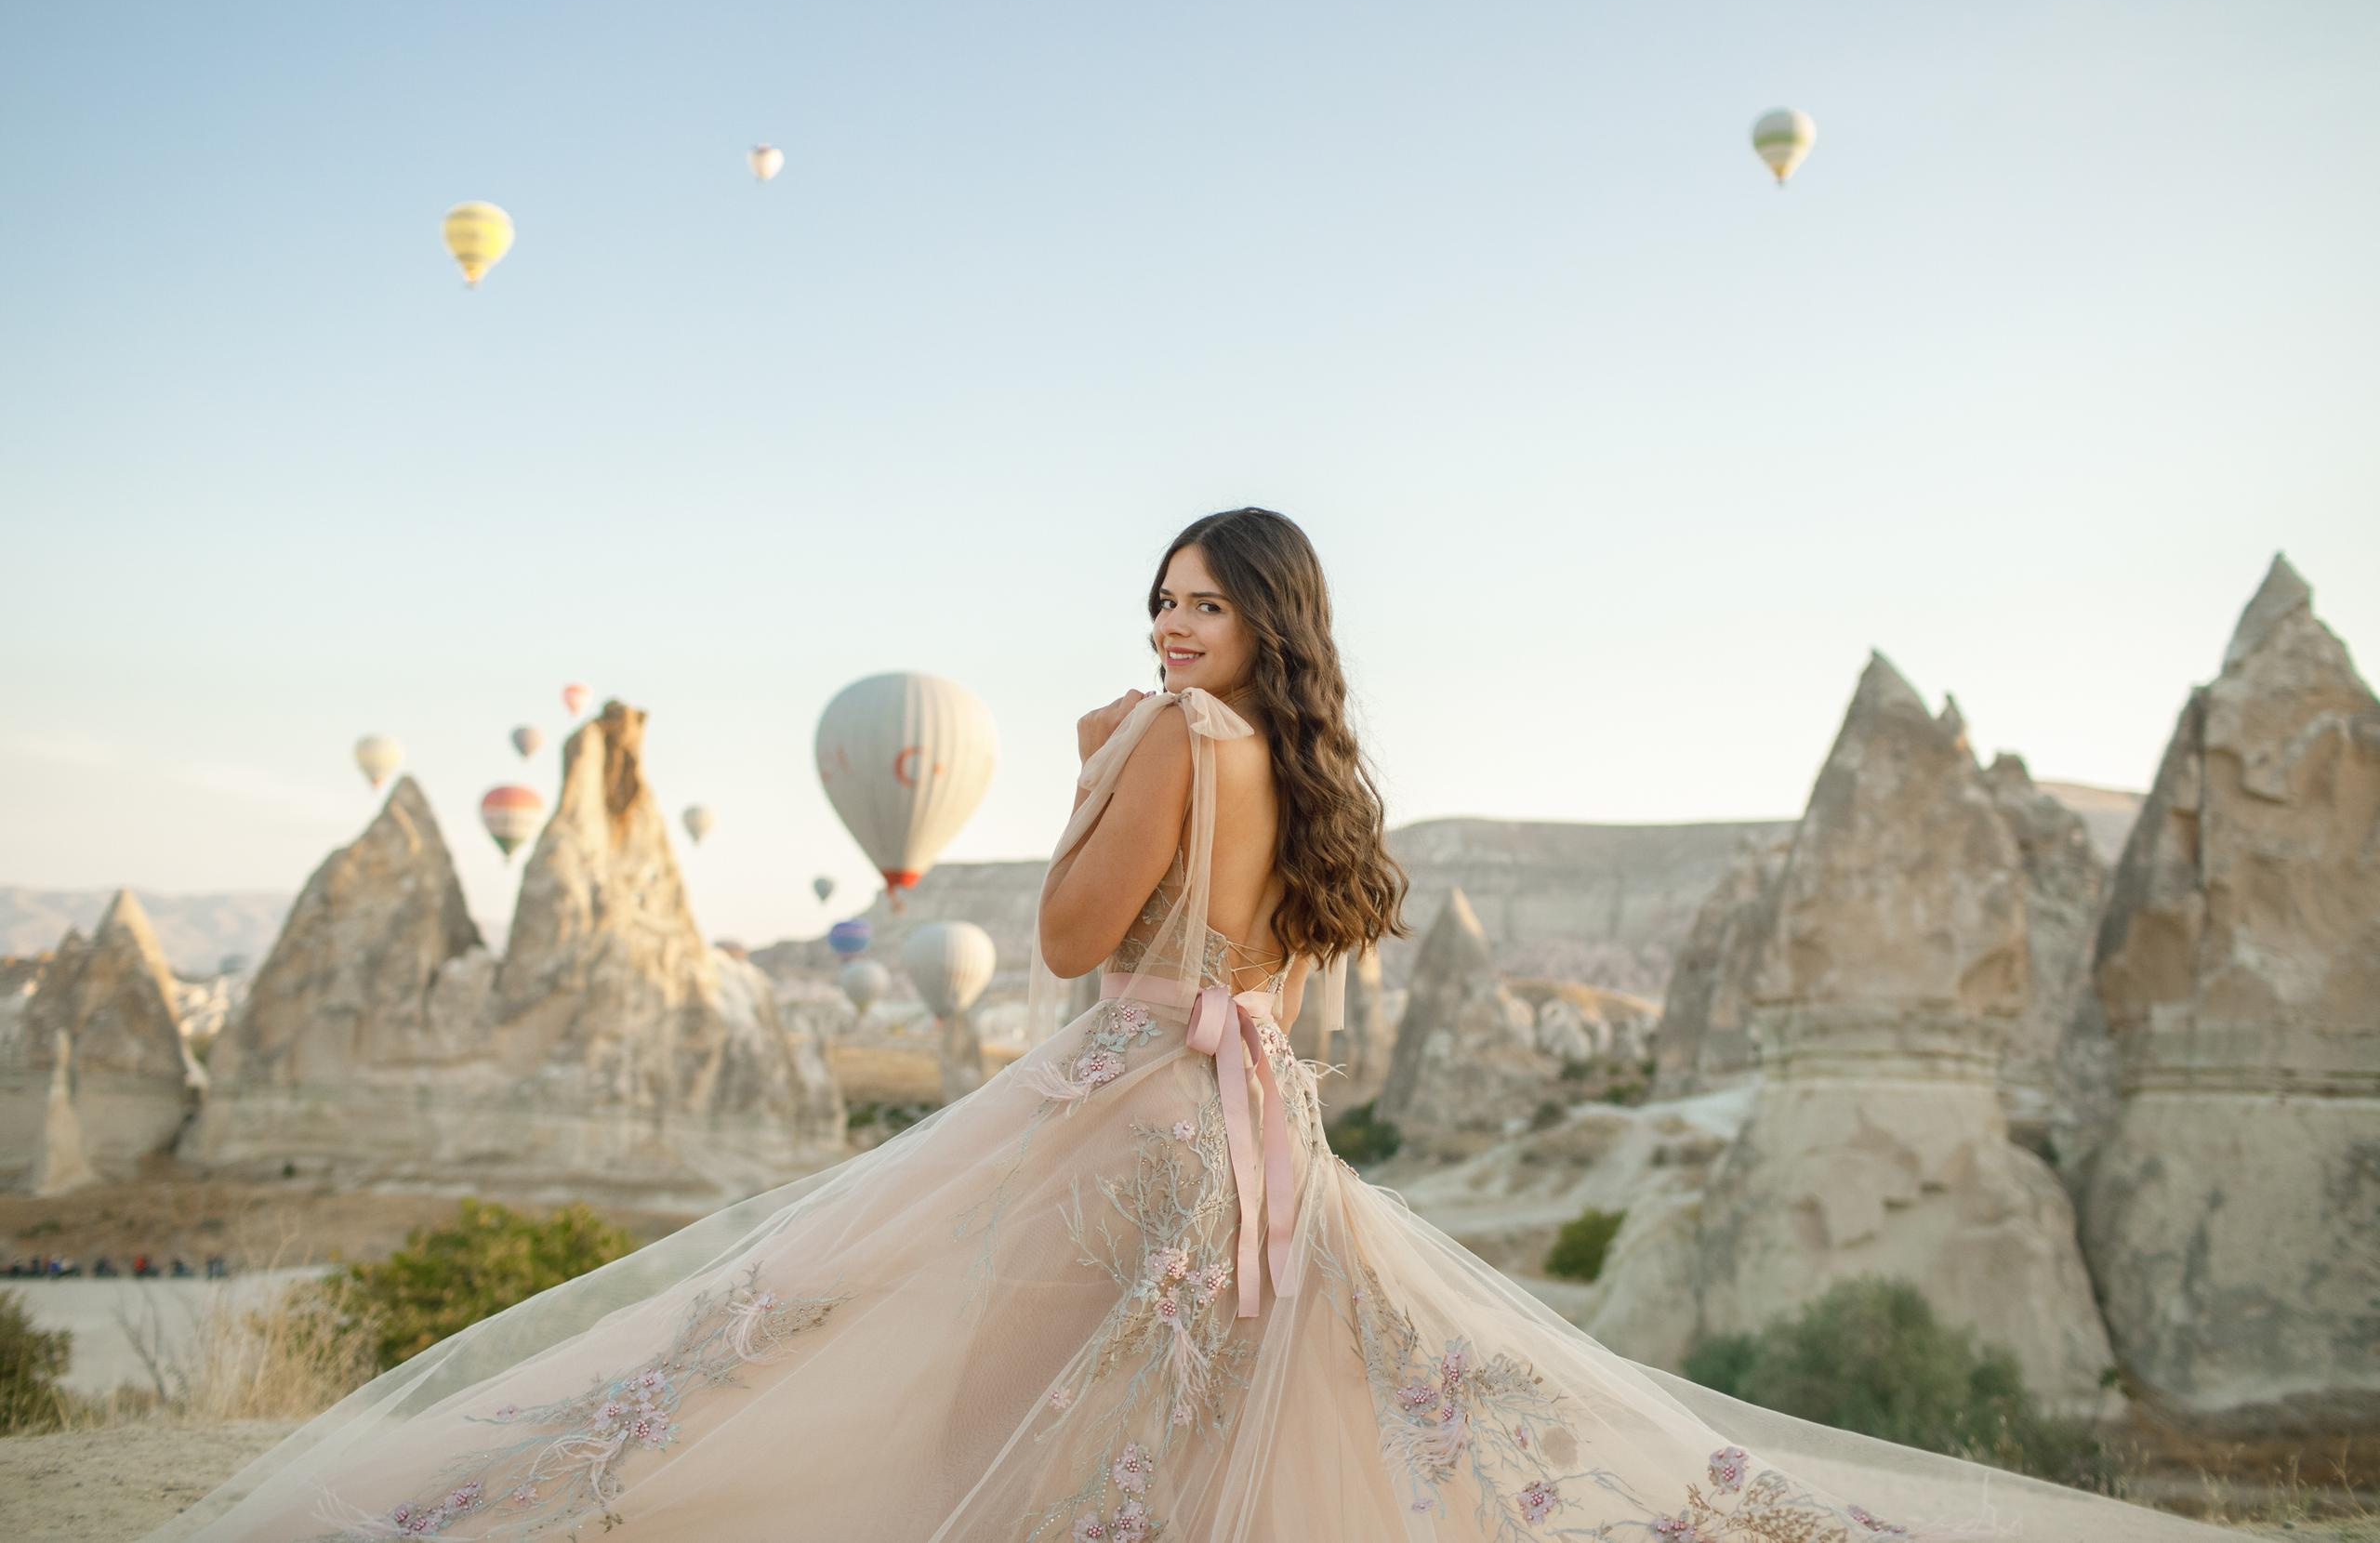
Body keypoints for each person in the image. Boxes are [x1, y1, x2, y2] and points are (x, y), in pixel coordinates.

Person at [151, 509, 2241, 1541]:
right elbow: (1276, 985)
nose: (1166, 627)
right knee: (1213, 1441)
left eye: (1200, 603)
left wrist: (1088, 777)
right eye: (1155, 597)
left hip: (1117, 1119)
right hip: (1260, 1141)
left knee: (958, 1399)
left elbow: (1072, 939)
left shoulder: (1167, 738)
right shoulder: (1319, 778)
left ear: (1259, 624)